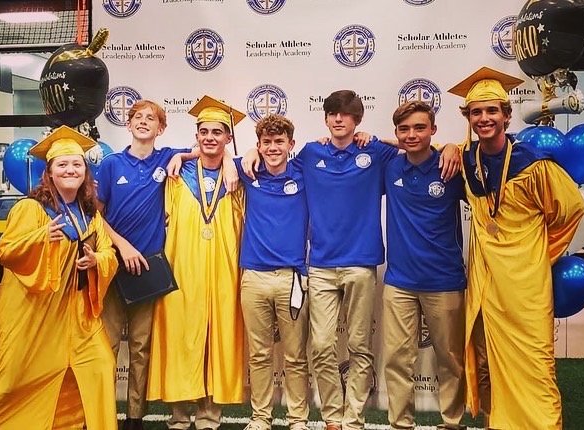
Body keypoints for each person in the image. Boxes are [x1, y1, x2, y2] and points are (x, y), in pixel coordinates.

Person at [243, 90, 459, 430]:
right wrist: (249, 152)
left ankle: (353, 417)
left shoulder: (375, 151)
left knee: (359, 346)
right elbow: (276, 156)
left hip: (361, 265)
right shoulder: (311, 154)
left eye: (346, 114)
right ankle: (332, 417)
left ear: (357, 120)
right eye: (332, 114)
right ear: (326, 118)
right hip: (321, 267)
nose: (338, 119)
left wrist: (451, 147)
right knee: (322, 345)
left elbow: (416, 145)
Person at [448, 67, 584, 429]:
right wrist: (447, 145)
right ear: (469, 118)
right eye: (476, 112)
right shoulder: (466, 160)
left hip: (526, 284)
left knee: (535, 364)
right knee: (489, 360)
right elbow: (423, 148)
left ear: (507, 116)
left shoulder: (533, 163)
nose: (484, 118)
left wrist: (542, 252)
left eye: (492, 111)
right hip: (487, 282)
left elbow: (571, 208)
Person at [96, 99, 237, 430]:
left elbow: (203, 150)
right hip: (116, 265)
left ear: (161, 129)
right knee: (107, 346)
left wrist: (229, 160)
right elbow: (95, 214)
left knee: (142, 347)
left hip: (150, 270)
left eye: (151, 119)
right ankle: (99, 415)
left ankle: (134, 419)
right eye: (138, 117)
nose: (209, 137)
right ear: (128, 124)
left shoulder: (171, 160)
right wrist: (120, 245)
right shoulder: (115, 164)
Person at [0, 125, 119, 430]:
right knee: (13, 381)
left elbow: (109, 253)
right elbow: (6, 252)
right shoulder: (31, 209)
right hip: (36, 315)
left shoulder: (90, 213)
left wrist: (97, 260)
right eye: (62, 165)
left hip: (78, 317)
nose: (70, 170)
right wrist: (40, 238)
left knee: (100, 366)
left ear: (85, 172)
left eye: (77, 164)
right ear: (48, 173)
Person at [147, 95, 246, 430]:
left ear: (228, 138)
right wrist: (181, 154)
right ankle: (178, 416)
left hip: (222, 271)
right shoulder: (177, 175)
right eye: (203, 131)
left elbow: (260, 157)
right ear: (196, 135)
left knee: (215, 339)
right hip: (181, 269)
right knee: (179, 337)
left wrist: (233, 162)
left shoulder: (238, 179)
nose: (209, 138)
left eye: (217, 132)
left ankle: (209, 415)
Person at [381, 101, 466, 430]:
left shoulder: (451, 167)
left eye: (419, 128)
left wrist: (454, 148)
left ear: (433, 130)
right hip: (399, 282)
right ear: (397, 133)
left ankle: (452, 423)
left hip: (444, 281)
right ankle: (400, 423)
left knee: (450, 360)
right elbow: (364, 145)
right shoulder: (390, 168)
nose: (411, 134)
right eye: (404, 129)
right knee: (397, 360)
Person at [236, 114, 310, 430]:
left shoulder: (306, 173)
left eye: (279, 142)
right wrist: (245, 157)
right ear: (258, 145)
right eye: (266, 142)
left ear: (291, 144)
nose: (273, 147)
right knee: (259, 355)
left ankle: (297, 419)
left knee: (295, 356)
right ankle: (261, 418)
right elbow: (210, 154)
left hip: (293, 277)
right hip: (253, 276)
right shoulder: (246, 171)